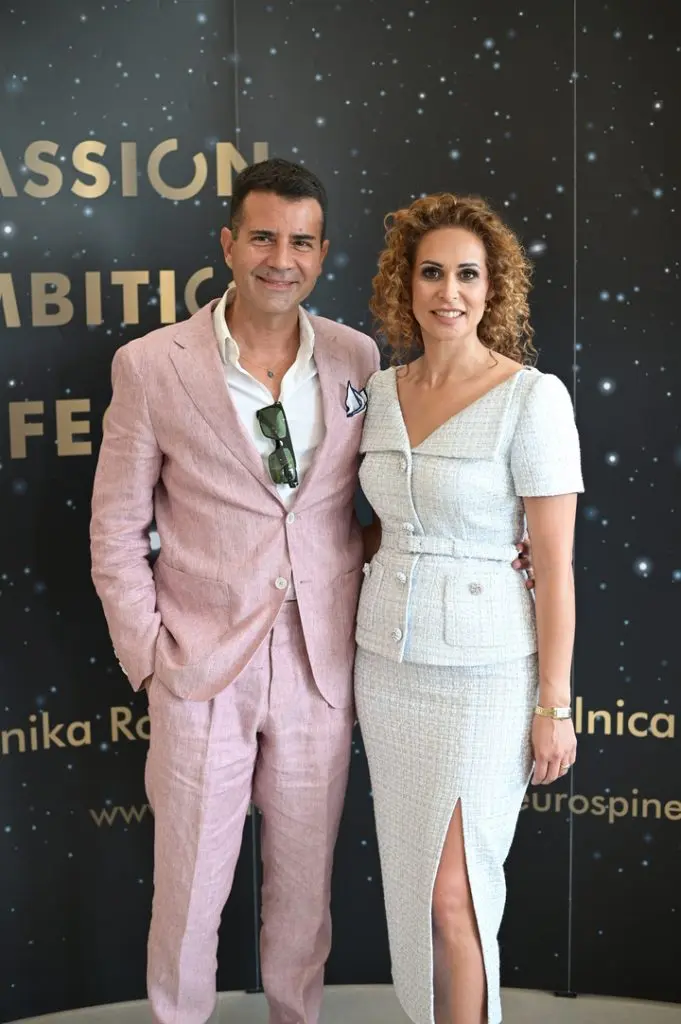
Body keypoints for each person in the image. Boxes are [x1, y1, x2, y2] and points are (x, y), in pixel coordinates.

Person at [90, 160, 532, 1024]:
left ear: (322, 253)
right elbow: (114, 531)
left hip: (322, 667)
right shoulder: (150, 366)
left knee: (304, 897)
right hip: (198, 670)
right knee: (189, 895)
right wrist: (148, 657)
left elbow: (380, 503)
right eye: (262, 237)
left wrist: (486, 546)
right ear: (228, 244)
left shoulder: (355, 358)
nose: (280, 259)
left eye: (300, 242)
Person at [354, 193, 583, 1024]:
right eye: (430, 273)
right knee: (414, 888)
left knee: (456, 892)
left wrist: (552, 705)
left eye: (466, 275)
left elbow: (552, 566)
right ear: (405, 285)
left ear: (493, 288)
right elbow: (375, 526)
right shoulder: (378, 392)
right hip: (385, 665)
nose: (447, 292)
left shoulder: (531, 398)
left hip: (485, 675)